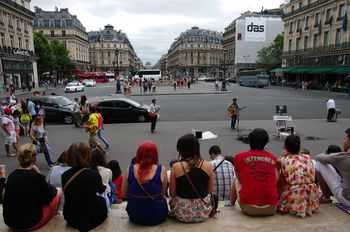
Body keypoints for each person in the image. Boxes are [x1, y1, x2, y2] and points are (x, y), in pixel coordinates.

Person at [3, 144, 61, 231]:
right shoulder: (36, 178)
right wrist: (39, 173)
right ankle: (55, 217)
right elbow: (48, 197)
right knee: (59, 191)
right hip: (29, 223)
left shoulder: (12, 175)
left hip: (10, 221)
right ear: (34, 158)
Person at [230, 128, 278, 216]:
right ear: (266, 143)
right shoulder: (273, 158)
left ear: (249, 141)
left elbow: (240, 180)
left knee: (235, 179)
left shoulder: (239, 157)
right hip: (271, 207)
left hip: (248, 207)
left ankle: (231, 205)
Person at [62, 142, 107, 231]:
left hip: (71, 217)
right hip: (90, 217)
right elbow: (101, 190)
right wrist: (104, 185)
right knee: (102, 200)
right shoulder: (93, 174)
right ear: (87, 155)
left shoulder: (65, 175)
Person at [169, 134, 214, 223]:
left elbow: (172, 193)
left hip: (181, 213)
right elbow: (210, 191)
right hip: (203, 213)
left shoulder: (176, 166)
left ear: (180, 149)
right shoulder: (208, 165)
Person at [121, 140, 168, 225]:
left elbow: (123, 194)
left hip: (135, 216)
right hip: (156, 216)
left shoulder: (129, 169)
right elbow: (162, 194)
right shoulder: (162, 169)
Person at [277, 135, 320, 217]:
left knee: (281, 174)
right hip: (312, 196)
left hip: (295, 196)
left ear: (285, 146)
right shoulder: (307, 157)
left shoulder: (282, 160)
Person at [315, 129, 350, 208]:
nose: (343, 141)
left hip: (347, 199)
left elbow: (319, 157)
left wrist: (327, 153)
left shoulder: (343, 157)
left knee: (319, 164)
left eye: (345, 138)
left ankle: (326, 198)